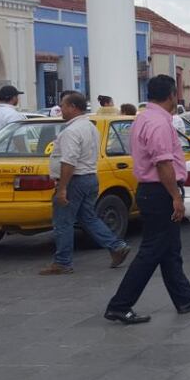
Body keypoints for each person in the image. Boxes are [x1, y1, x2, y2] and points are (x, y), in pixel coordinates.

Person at [104, 75, 190, 325]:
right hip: (160, 191)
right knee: (151, 251)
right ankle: (120, 304)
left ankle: (184, 298)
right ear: (172, 95)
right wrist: (176, 196)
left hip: (152, 189)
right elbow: (163, 163)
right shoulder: (159, 124)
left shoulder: (143, 118)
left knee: (171, 250)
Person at [39, 91, 132, 275]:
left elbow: (69, 161)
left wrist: (62, 188)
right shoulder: (90, 127)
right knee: (88, 217)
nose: (61, 109)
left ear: (73, 107)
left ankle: (63, 262)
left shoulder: (72, 131)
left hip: (75, 180)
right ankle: (116, 246)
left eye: (63, 106)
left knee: (63, 221)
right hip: (90, 177)